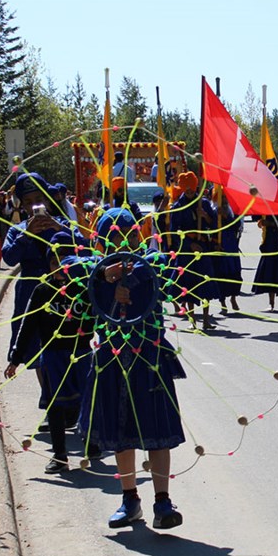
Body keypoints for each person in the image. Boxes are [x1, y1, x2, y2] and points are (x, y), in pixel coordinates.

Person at [79, 208, 186, 529]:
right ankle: (130, 500)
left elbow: (170, 274)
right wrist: (105, 278)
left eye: (130, 237)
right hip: (111, 361)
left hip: (149, 360)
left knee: (158, 434)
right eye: (112, 239)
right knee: (120, 434)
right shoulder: (93, 273)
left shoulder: (152, 266)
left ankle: (162, 502)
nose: (121, 245)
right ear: (101, 242)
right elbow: (72, 273)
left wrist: (134, 277)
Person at [4, 231, 93, 473]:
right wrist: (15, 358)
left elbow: (101, 319)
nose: (61, 268)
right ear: (48, 264)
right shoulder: (42, 291)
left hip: (82, 354)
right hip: (53, 357)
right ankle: (60, 454)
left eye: (66, 262)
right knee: (55, 406)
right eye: (55, 262)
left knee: (89, 401)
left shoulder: (85, 290)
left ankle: (92, 442)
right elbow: (28, 326)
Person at [168, 172, 217, 329]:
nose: (189, 191)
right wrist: (189, 244)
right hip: (186, 251)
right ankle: (192, 321)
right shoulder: (177, 206)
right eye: (186, 188)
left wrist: (206, 217)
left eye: (191, 187)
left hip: (202, 248)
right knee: (187, 286)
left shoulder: (203, 203)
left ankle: (206, 319)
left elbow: (215, 226)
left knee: (205, 283)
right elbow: (174, 231)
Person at [212, 188, 243, 312]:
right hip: (220, 248)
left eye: (225, 198)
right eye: (221, 198)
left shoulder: (233, 212)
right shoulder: (213, 212)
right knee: (221, 276)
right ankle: (223, 303)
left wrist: (225, 217)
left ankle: (234, 298)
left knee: (235, 275)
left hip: (232, 247)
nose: (224, 201)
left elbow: (237, 226)